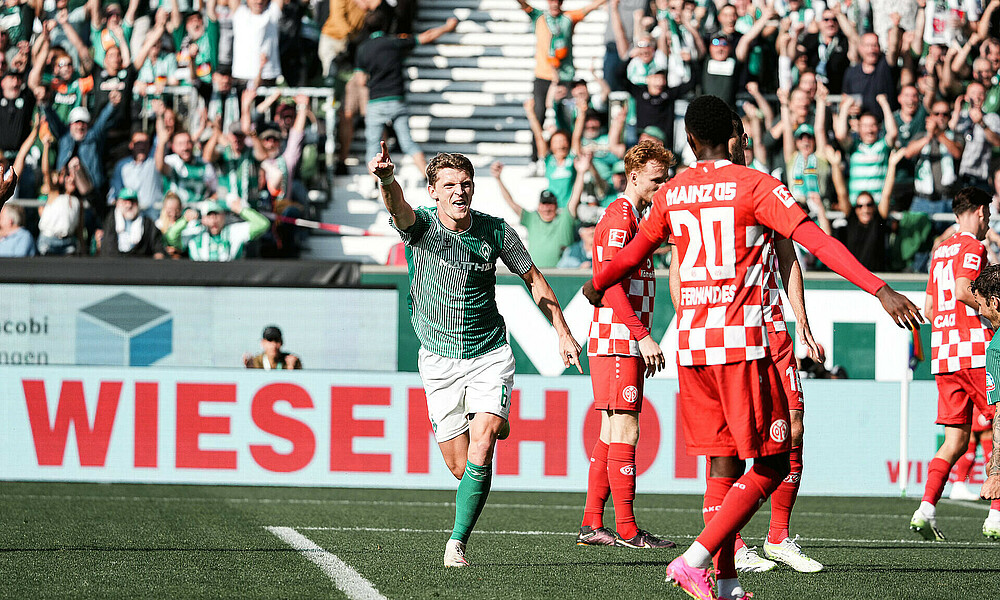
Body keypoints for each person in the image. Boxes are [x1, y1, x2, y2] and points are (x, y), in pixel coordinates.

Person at [582, 95, 922, 600]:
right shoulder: (757, 185)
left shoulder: (671, 194)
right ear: (735, 137)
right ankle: (695, 559)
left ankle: (725, 582)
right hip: (741, 346)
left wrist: (597, 283)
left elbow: (629, 256)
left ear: (690, 141)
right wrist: (880, 289)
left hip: (692, 349)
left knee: (722, 464)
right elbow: (816, 242)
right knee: (776, 462)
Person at [369, 142, 582, 568]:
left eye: (465, 184)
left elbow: (533, 277)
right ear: (432, 191)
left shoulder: (496, 231)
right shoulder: (421, 227)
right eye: (448, 185)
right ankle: (489, 421)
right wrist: (387, 180)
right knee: (459, 466)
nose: (458, 192)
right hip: (439, 359)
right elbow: (398, 209)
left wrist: (562, 330)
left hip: (489, 352)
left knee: (481, 446)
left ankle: (456, 543)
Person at [576, 140, 675, 549]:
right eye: (656, 179)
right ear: (634, 176)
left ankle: (591, 525)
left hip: (619, 339)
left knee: (609, 431)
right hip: (619, 339)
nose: (661, 185)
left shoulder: (635, 215)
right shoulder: (619, 218)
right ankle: (630, 530)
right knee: (627, 429)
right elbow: (610, 282)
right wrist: (643, 336)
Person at [911, 187, 995, 541]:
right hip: (974, 351)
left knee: (956, 440)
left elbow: (930, 309)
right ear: (978, 211)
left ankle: (925, 509)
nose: (989, 221)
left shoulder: (939, 250)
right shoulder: (972, 247)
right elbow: (963, 290)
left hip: (943, 354)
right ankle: (996, 516)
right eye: (988, 213)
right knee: (999, 426)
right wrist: (991, 314)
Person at [354, 11, 457, 178]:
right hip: (396, 99)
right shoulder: (394, 43)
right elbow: (426, 36)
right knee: (407, 142)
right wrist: (447, 27)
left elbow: (360, 80)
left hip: (376, 102)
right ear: (385, 24)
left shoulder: (363, 49)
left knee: (373, 145)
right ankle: (427, 176)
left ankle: (375, 182)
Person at [493, 160, 580, 268]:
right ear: (538, 206)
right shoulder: (531, 218)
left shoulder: (565, 218)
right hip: (538, 277)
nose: (547, 208)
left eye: (550, 204)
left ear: (556, 206)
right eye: (544, 204)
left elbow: (575, 197)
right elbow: (511, 203)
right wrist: (498, 179)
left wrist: (580, 173)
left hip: (564, 275)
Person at [969, 266, 1000, 537]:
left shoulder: (996, 349)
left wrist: (997, 472)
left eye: (980, 304)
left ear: (995, 302)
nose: (979, 312)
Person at [163, 196, 270, 261]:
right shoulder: (195, 233)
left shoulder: (233, 232)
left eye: (217, 215)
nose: (214, 220)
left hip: (229, 279)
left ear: (224, 216)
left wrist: (242, 210)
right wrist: (184, 220)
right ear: (203, 219)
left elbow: (262, 224)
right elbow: (171, 237)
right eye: (209, 216)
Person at [98, 188, 166, 257]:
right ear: (118, 203)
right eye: (125, 202)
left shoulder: (148, 224)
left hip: (138, 265)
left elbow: (158, 249)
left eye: (133, 202)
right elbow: (92, 197)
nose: (129, 205)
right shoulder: (109, 218)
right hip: (111, 264)